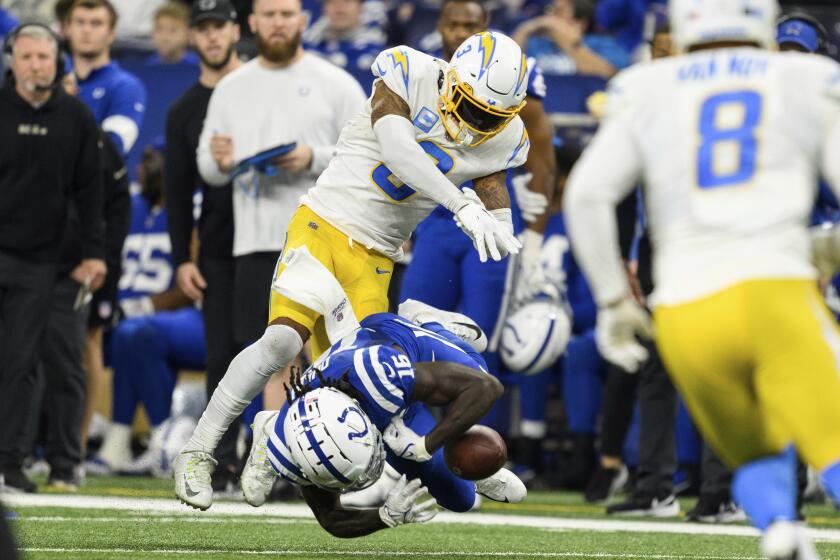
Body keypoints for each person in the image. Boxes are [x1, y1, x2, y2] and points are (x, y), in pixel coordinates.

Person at [174, 28, 530, 510]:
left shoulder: (502, 136)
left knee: (371, 389)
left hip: (377, 257)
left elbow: (495, 198)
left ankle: (460, 453)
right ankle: (198, 450)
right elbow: (399, 148)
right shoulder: (409, 70)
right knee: (282, 341)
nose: (474, 123)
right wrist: (458, 204)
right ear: (451, 81)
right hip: (323, 222)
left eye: (491, 116)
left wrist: (501, 225)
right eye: (470, 107)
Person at [564, 0, 840, 557]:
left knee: (754, 456)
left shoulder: (647, 87)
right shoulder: (806, 76)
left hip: (685, 309)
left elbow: (587, 194)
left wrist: (614, 300)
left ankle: (784, 534)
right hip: (774, 289)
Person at [233, 253, 525, 533]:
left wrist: (425, 445)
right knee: (460, 499)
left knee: (480, 371)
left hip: (400, 346)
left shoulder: (382, 375)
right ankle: (268, 426)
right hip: (377, 410)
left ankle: (428, 320)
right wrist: (385, 517)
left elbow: (486, 388)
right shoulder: (300, 442)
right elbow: (331, 518)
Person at [0, 22, 104, 493]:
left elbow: (91, 193)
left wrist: (94, 253)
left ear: (56, 60)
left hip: (40, 262)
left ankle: (9, 462)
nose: (36, 65)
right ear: (11, 60)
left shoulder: (77, 118)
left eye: (44, 57)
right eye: (27, 57)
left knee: (21, 363)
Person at [31, 70, 130, 490]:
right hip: (26, 265)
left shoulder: (99, 144)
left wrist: (99, 259)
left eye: (70, 88)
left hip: (80, 267)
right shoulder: (24, 135)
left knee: (72, 355)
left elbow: (115, 210)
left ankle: (69, 455)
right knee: (19, 360)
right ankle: (20, 452)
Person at [165, 0, 243, 494]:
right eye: (204, 29)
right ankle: (226, 460)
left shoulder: (263, 87)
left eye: (220, 27)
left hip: (279, 240)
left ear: (237, 30)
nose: (213, 37)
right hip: (217, 244)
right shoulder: (184, 109)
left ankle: (289, 459)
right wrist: (181, 259)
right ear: (194, 37)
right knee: (222, 354)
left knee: (284, 353)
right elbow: (176, 190)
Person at [89, 145, 205, 474]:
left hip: (186, 316)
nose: (142, 169)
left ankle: (157, 440)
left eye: (150, 161)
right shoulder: (129, 205)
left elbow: (193, 281)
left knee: (135, 332)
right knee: (69, 338)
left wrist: (136, 307)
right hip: (124, 318)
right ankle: (69, 439)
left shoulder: (194, 206)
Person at [64, 0, 147, 157]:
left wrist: (63, 104)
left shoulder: (126, 86)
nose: (86, 30)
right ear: (67, 29)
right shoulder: (53, 82)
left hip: (99, 181)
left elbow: (112, 149)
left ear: (111, 34)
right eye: (80, 22)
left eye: (96, 23)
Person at [303, 0, 386, 93]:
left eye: (347, 1)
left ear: (360, 7)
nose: (339, 8)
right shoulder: (307, 49)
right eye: (332, 2)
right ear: (324, 8)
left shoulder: (377, 56)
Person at [149, 2, 199, 67]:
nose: (164, 37)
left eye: (173, 30)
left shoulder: (199, 65)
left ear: (189, 35)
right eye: (159, 29)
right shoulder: (149, 65)